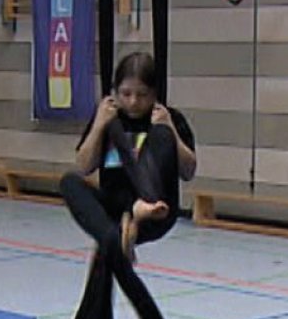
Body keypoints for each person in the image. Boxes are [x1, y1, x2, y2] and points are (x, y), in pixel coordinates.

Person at [66, 51, 197, 259]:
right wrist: (99, 125)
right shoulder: (108, 116)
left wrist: (170, 128)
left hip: (155, 210)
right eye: (126, 94)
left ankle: (139, 211)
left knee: (162, 135)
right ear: (116, 93)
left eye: (142, 95)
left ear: (154, 94)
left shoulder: (167, 118)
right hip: (115, 208)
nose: (134, 102)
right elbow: (84, 166)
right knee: (69, 182)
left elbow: (188, 171)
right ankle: (128, 223)